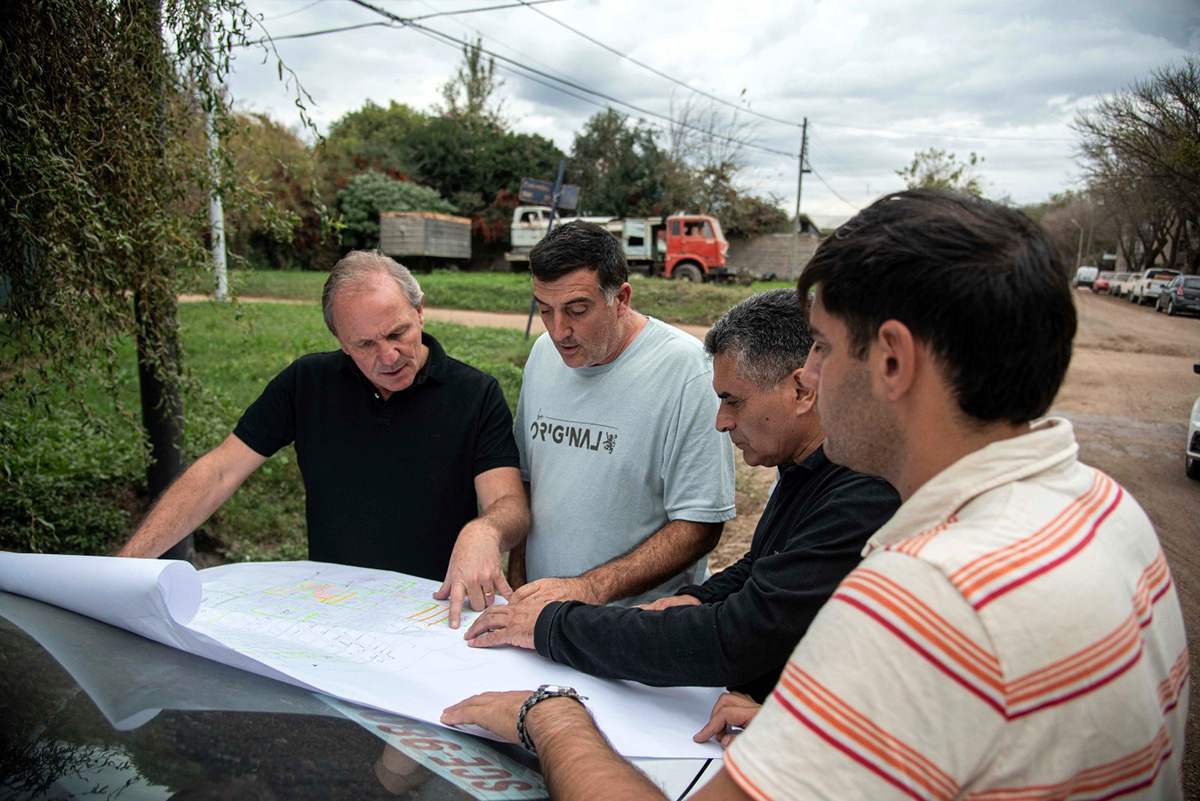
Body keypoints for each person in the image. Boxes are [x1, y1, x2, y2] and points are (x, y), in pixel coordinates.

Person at [442, 191, 1188, 799]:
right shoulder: (1107, 507)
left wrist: (554, 715)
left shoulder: (922, 597)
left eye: (823, 348)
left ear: (891, 359)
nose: (810, 378)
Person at [461, 289, 899, 703]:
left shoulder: (863, 493)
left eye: (733, 401)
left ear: (802, 392)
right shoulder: (806, 466)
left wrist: (551, 626)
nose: (721, 422)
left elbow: (736, 639)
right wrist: (699, 598)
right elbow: (767, 563)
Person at [117, 251, 528, 626]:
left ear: (420, 311)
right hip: (333, 609)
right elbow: (219, 472)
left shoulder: (475, 394)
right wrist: (121, 569)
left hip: (435, 611)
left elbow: (509, 505)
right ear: (339, 340)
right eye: (365, 344)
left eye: (398, 333)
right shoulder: (307, 383)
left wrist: (485, 531)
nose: (388, 357)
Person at [502, 221, 736, 609]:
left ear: (622, 297)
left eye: (577, 310)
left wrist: (590, 589)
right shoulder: (543, 354)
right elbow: (527, 483)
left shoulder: (686, 370)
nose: (560, 331)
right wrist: (518, 579)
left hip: (632, 632)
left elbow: (700, 525)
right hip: (540, 620)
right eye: (546, 310)